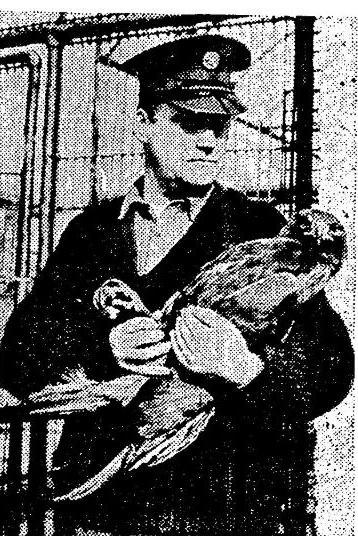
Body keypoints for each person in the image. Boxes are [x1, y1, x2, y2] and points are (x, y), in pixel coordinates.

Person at [0, 34, 353, 535]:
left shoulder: (261, 230)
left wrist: (244, 367)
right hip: (106, 507)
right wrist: (104, 345)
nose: (210, 142)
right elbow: (19, 356)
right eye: (190, 123)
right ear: (144, 122)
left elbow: (330, 370)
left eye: (221, 124)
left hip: (223, 505)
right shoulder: (93, 233)